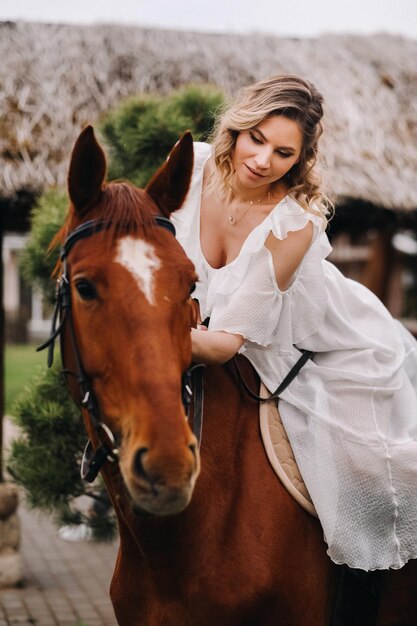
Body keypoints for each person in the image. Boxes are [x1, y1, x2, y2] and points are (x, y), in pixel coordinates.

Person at [171, 73, 417, 572]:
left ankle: (372, 588)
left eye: (283, 153)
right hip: (205, 328)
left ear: (299, 160)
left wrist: (148, 337)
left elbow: (222, 345)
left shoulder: (293, 223)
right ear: (237, 130)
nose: (262, 161)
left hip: (322, 345)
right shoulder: (191, 168)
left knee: (362, 470)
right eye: (256, 139)